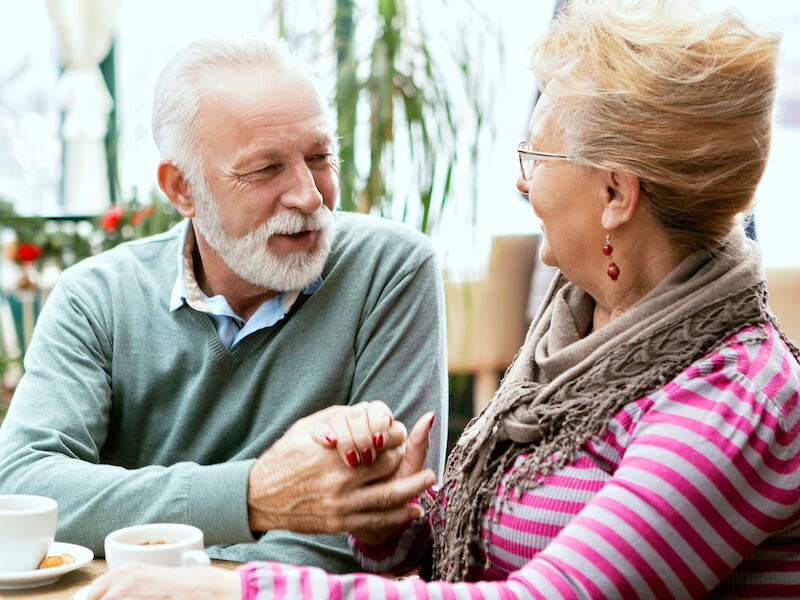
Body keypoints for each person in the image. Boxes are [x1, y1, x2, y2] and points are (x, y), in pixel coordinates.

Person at [83, 0, 800, 597]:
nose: (522, 184)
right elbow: (470, 565)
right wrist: (390, 526)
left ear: (615, 194)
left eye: (537, 158)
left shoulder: (738, 399)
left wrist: (230, 589)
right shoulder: (576, 344)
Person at [0, 38, 449, 571]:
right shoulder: (97, 296)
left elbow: (380, 528)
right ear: (182, 188)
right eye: (265, 170)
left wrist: (200, 583)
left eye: (319, 157)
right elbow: (22, 487)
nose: (309, 196)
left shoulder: (390, 271)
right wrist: (254, 493)